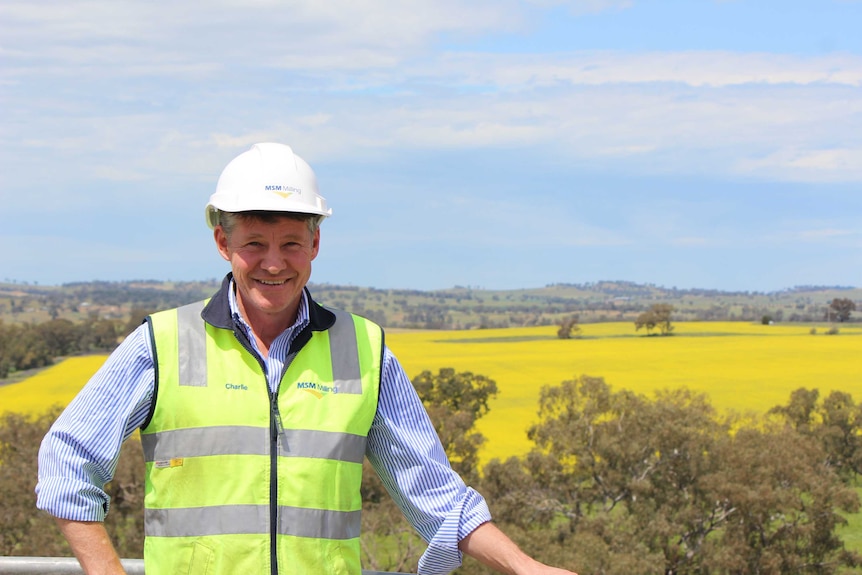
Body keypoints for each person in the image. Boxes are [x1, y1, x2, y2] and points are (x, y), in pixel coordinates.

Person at [36, 142, 578, 575]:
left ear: (315, 245)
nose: (274, 263)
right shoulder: (162, 342)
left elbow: (435, 493)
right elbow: (66, 463)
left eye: (291, 244)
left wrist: (528, 568)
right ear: (223, 243)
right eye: (255, 244)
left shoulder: (364, 349)